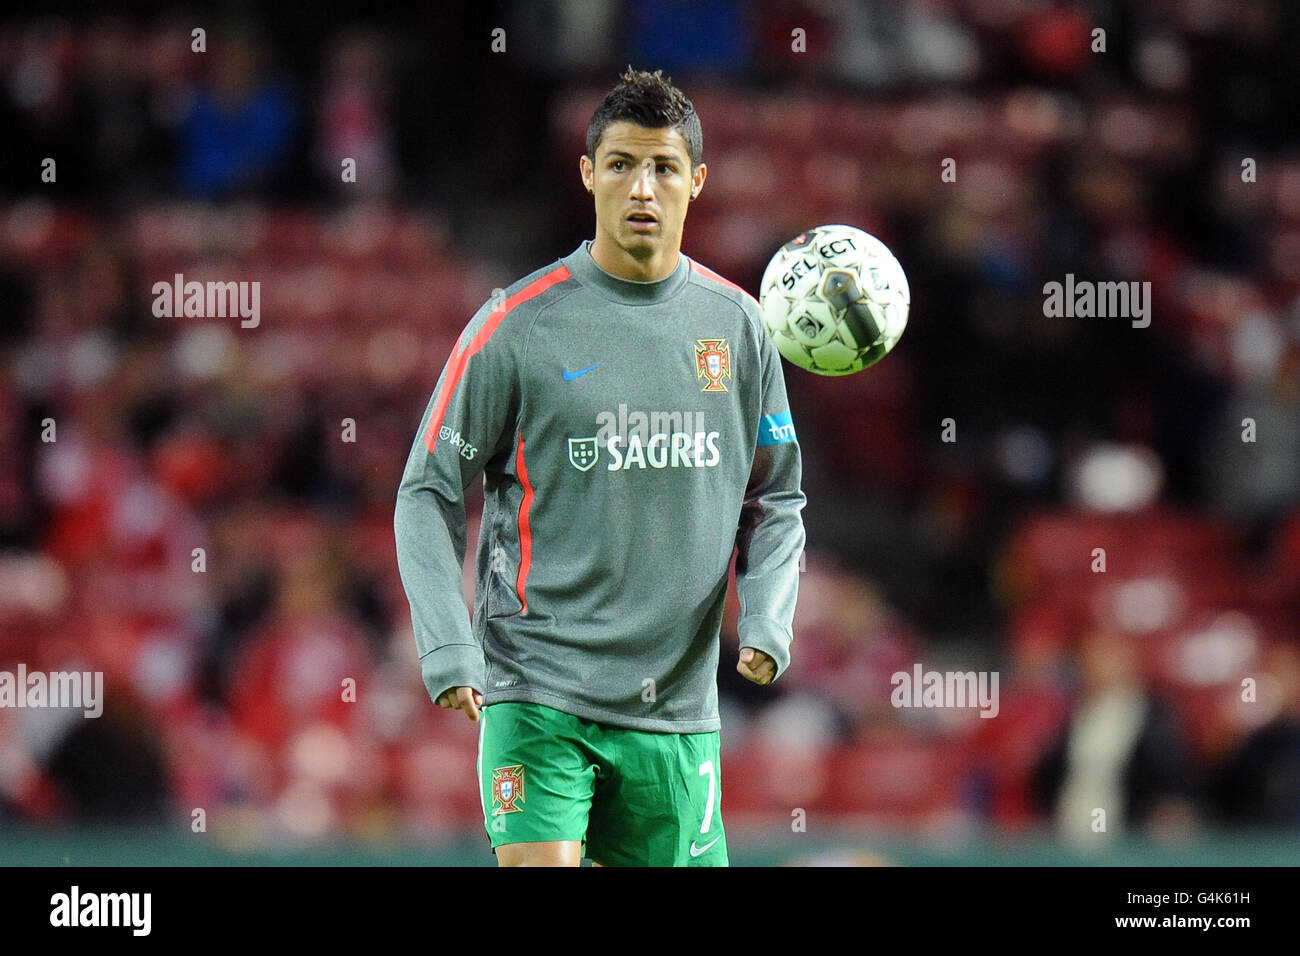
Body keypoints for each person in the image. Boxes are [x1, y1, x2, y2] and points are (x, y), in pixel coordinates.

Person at [394, 67, 805, 867]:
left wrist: (767, 616)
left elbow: (776, 497)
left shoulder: (742, 328)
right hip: (539, 689)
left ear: (697, 181)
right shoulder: (515, 325)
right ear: (588, 175)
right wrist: (446, 643)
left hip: (678, 710)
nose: (641, 187)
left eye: (662, 167)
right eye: (620, 164)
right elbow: (427, 487)